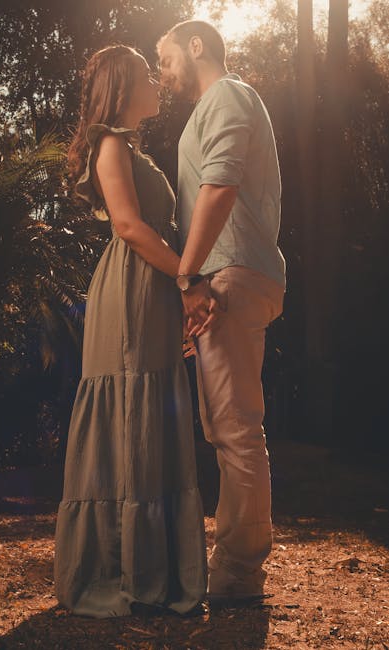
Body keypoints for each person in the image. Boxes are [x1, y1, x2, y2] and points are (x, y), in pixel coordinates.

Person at [53, 45, 207, 619]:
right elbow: (127, 224)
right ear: (122, 87)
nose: (156, 83)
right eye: (147, 75)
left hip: (151, 287)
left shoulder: (129, 146)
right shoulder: (111, 143)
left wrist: (178, 285)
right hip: (133, 288)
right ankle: (125, 571)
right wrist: (187, 277)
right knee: (132, 414)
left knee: (148, 416)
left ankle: (152, 567)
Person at [157, 21, 286, 600]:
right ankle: (233, 562)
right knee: (225, 427)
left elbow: (220, 186)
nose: (163, 75)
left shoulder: (229, 95)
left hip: (229, 274)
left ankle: (240, 570)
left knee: (235, 429)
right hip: (222, 274)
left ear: (196, 46)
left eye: (165, 60)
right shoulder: (208, 110)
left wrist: (187, 277)